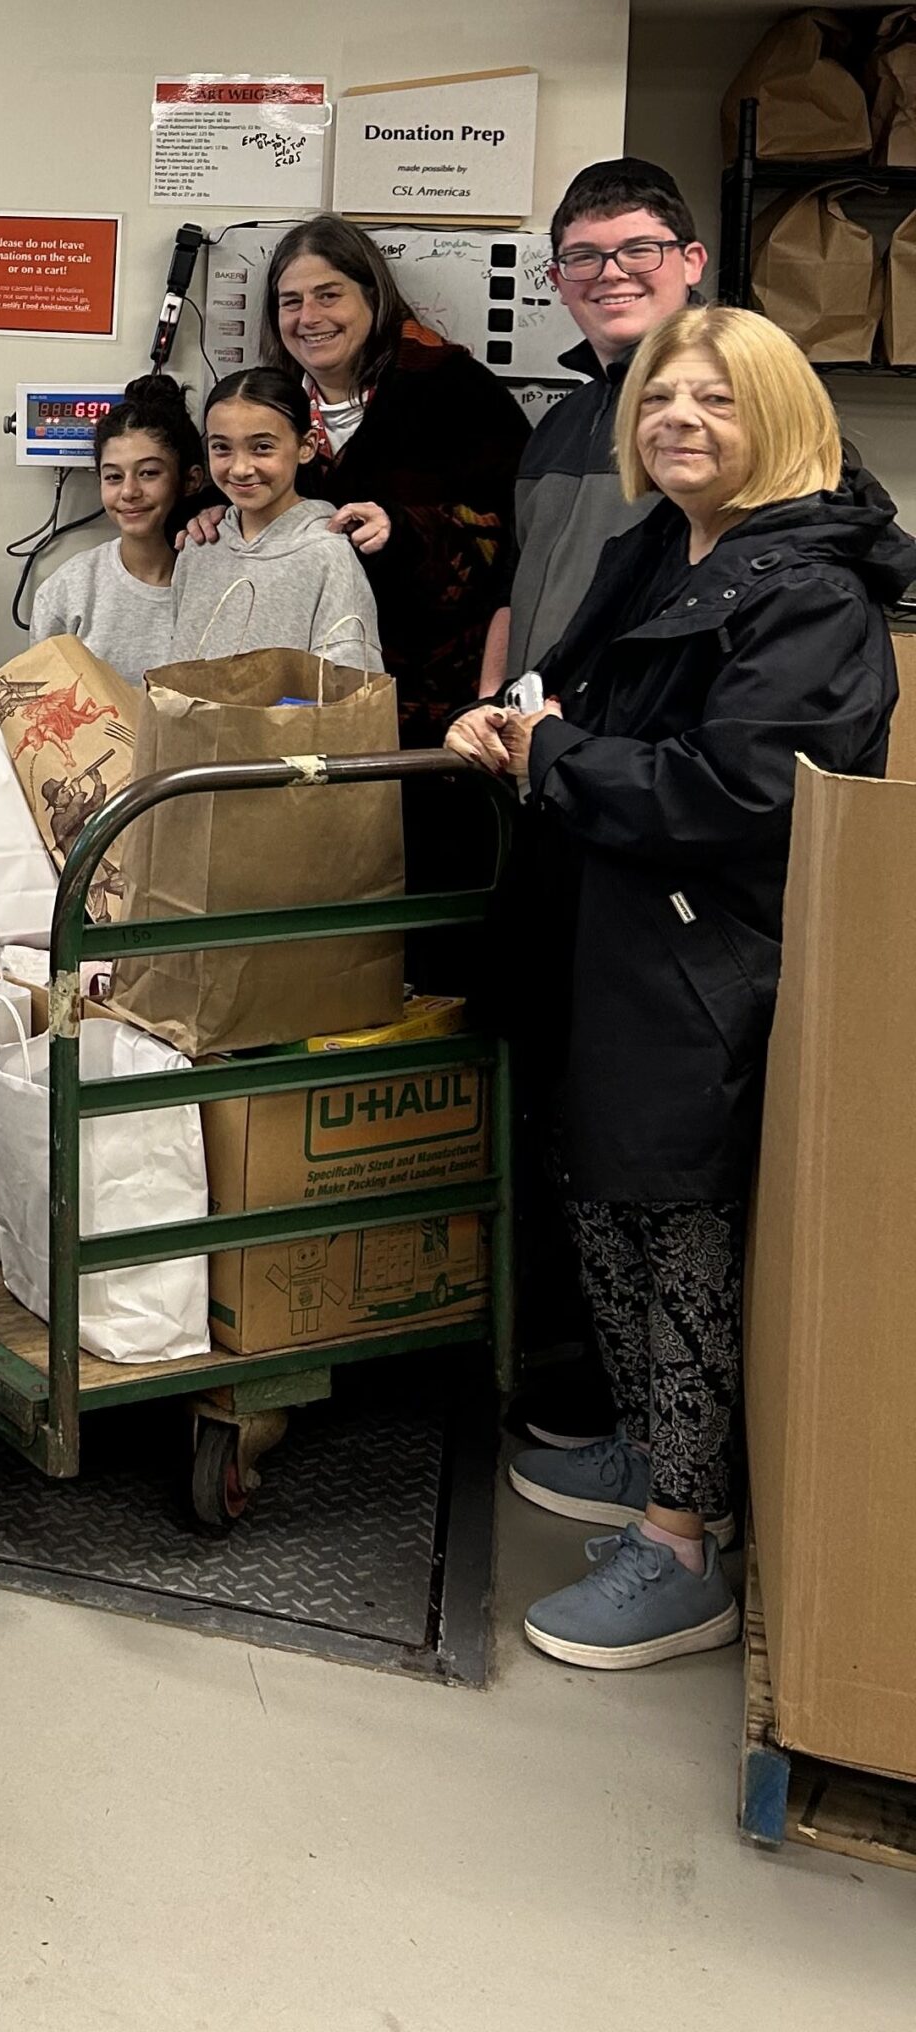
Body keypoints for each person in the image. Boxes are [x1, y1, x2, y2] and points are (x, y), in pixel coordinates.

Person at [450, 308, 911, 1669]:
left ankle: (680, 1545)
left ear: (779, 419)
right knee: (609, 1205)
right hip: (614, 937)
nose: (680, 421)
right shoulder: (664, 545)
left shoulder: (807, 592)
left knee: (683, 1236)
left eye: (715, 400)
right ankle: (657, 1447)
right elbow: (579, 700)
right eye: (662, 399)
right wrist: (514, 720)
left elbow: (746, 790)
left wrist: (557, 760)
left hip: (708, 961)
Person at [262, 217, 529, 747]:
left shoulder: (456, 390)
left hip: (439, 710)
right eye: (291, 302)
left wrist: (402, 530)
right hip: (303, 700)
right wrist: (206, 514)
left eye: (328, 295)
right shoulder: (268, 406)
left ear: (374, 297)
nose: (308, 318)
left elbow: (515, 538)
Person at [481, 159, 710, 696]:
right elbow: (510, 587)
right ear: (558, 281)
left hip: (640, 751)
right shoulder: (560, 421)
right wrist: (492, 697)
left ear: (692, 261)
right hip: (533, 745)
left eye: (639, 250)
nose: (611, 273)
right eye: (584, 257)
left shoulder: (741, 406)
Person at [166, 368, 385, 670]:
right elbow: (176, 665)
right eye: (222, 448)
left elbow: (347, 684)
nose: (240, 468)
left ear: (306, 446)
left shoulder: (328, 555)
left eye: (262, 448)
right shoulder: (198, 548)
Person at [29, 376, 205, 679]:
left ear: (190, 480)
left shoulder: (221, 585)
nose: (129, 492)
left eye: (148, 473)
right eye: (113, 477)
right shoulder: (70, 589)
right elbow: (43, 706)